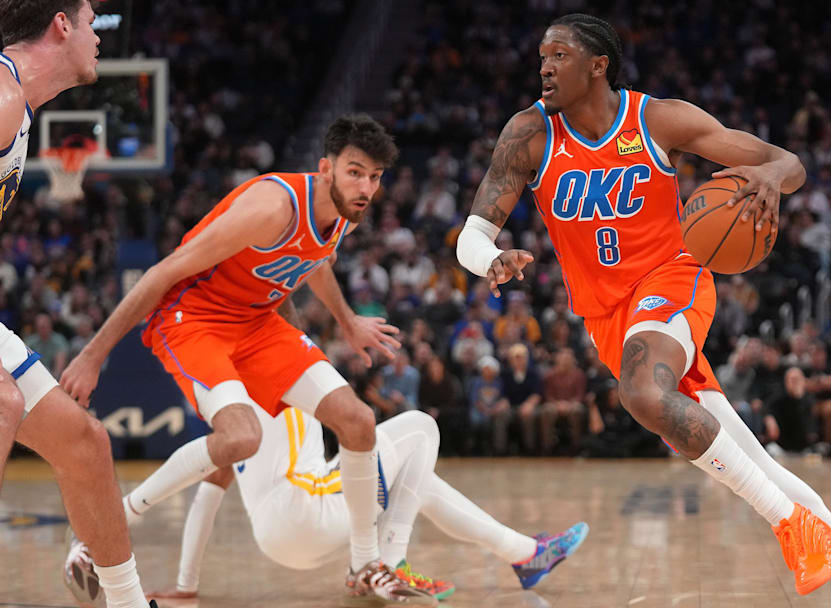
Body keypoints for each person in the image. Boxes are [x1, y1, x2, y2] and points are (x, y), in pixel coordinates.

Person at [455, 13, 831, 606]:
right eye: (541, 57)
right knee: (750, 461)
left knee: (643, 395)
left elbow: (787, 162)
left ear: (597, 65)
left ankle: (794, 529)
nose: (545, 67)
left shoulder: (656, 118)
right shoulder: (528, 133)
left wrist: (769, 178)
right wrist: (489, 259)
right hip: (607, 317)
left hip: (672, 278)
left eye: (559, 55)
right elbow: (471, 234)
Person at [60, 115, 434, 605]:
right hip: (191, 319)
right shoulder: (270, 208)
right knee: (241, 437)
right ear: (326, 169)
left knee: (358, 422)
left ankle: (365, 566)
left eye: (375, 176)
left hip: (255, 322)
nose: (365, 187)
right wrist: (92, 357)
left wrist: (346, 321)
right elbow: (162, 272)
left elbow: (315, 261)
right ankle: (104, 531)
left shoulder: (343, 213)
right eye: (355, 172)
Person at [0, 3, 156, 607]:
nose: (97, 37)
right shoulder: (4, 98)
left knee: (85, 444)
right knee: (4, 402)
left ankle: (127, 602)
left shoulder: (21, 106)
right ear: (61, 25)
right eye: (91, 21)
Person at [144, 408, 588, 602]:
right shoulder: (282, 361)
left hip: (277, 538)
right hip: (310, 507)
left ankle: (526, 555)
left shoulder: (228, 407)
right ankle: (385, 564)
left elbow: (207, 493)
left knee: (415, 479)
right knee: (419, 427)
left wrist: (187, 585)